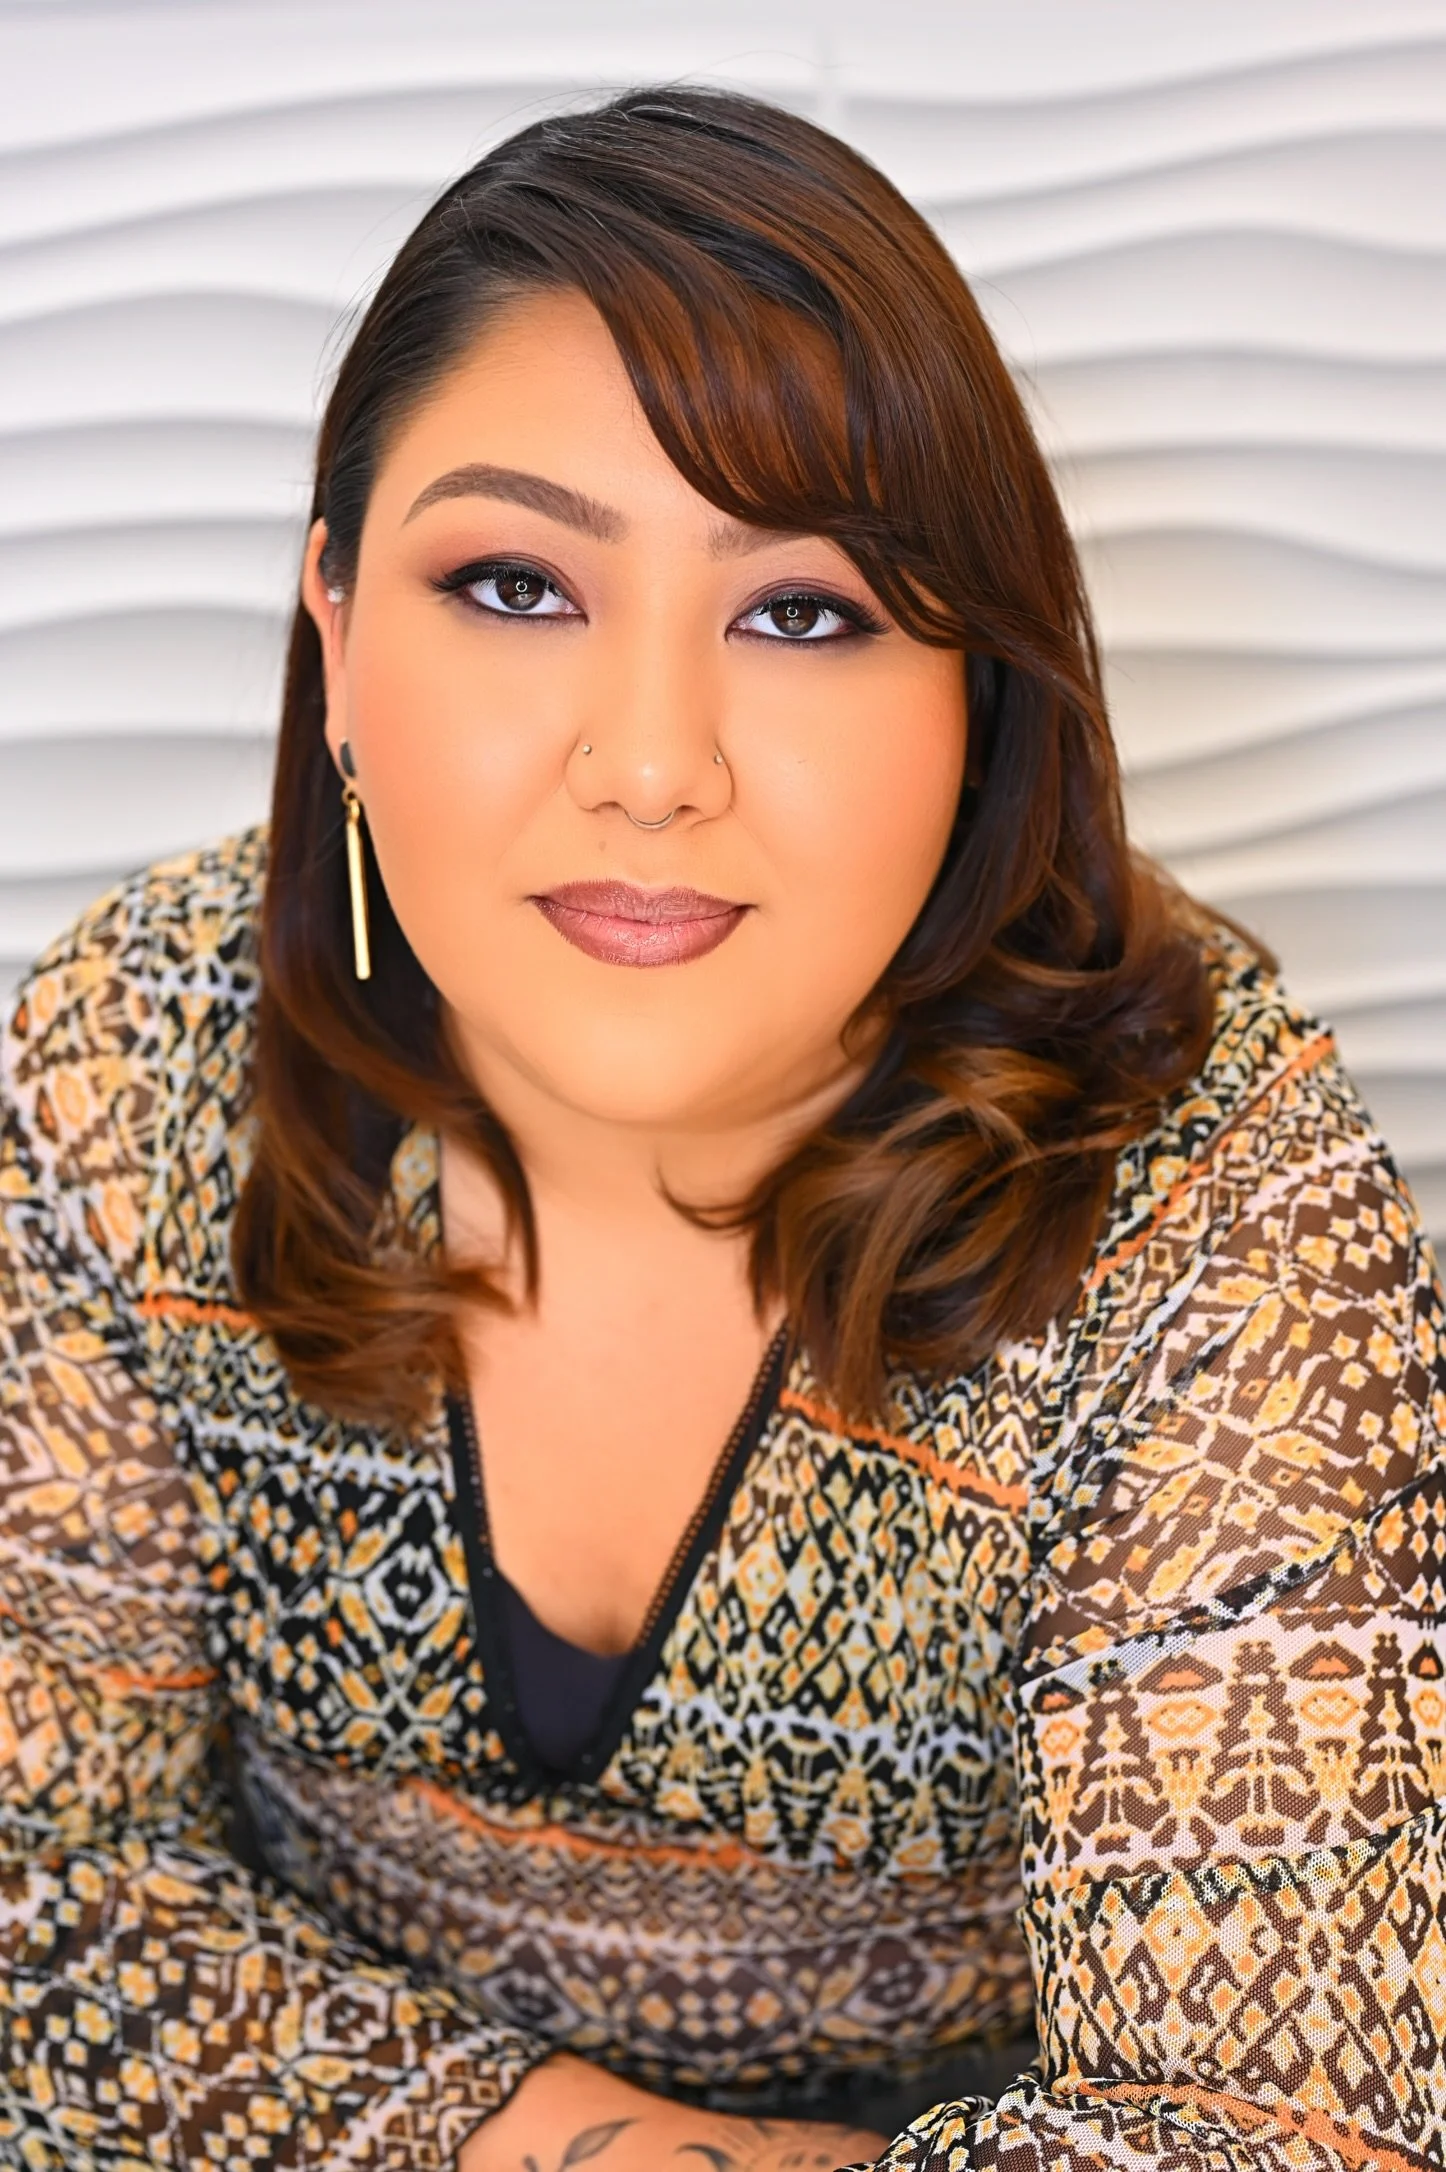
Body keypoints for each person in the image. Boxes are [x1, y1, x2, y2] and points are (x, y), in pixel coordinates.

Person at [0, 85, 1440, 2172]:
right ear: (332, 635)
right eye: (513, 585)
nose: (655, 763)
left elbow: (1285, 2141)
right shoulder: (128, 1070)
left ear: (978, 704)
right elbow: (34, 1905)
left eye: (804, 611)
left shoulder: (1211, 1191)